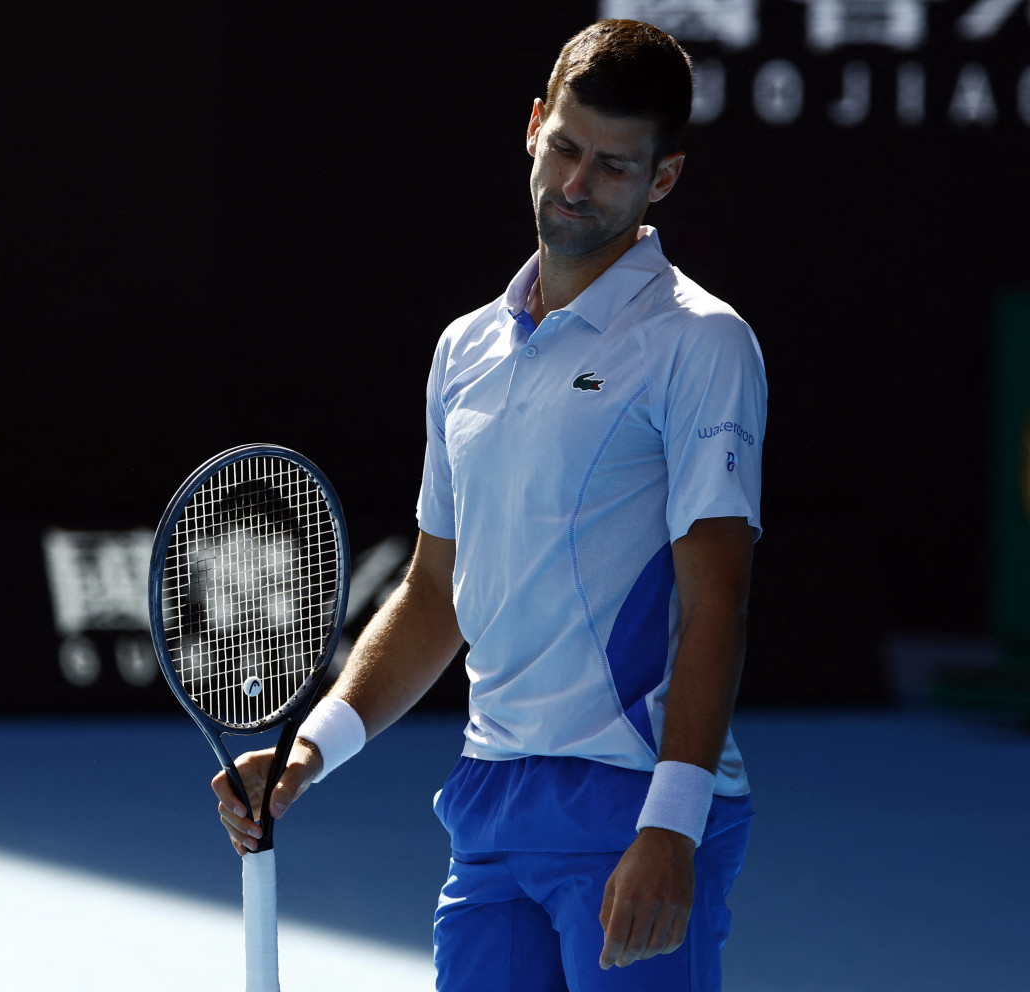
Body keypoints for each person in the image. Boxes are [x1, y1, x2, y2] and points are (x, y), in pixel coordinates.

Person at [213, 18, 766, 991]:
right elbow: (435, 593)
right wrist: (305, 755)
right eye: (563, 148)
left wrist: (670, 826)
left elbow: (715, 597)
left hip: (631, 802)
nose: (572, 184)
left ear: (660, 180)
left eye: (609, 166)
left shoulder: (700, 343)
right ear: (530, 126)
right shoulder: (462, 349)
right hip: (491, 803)